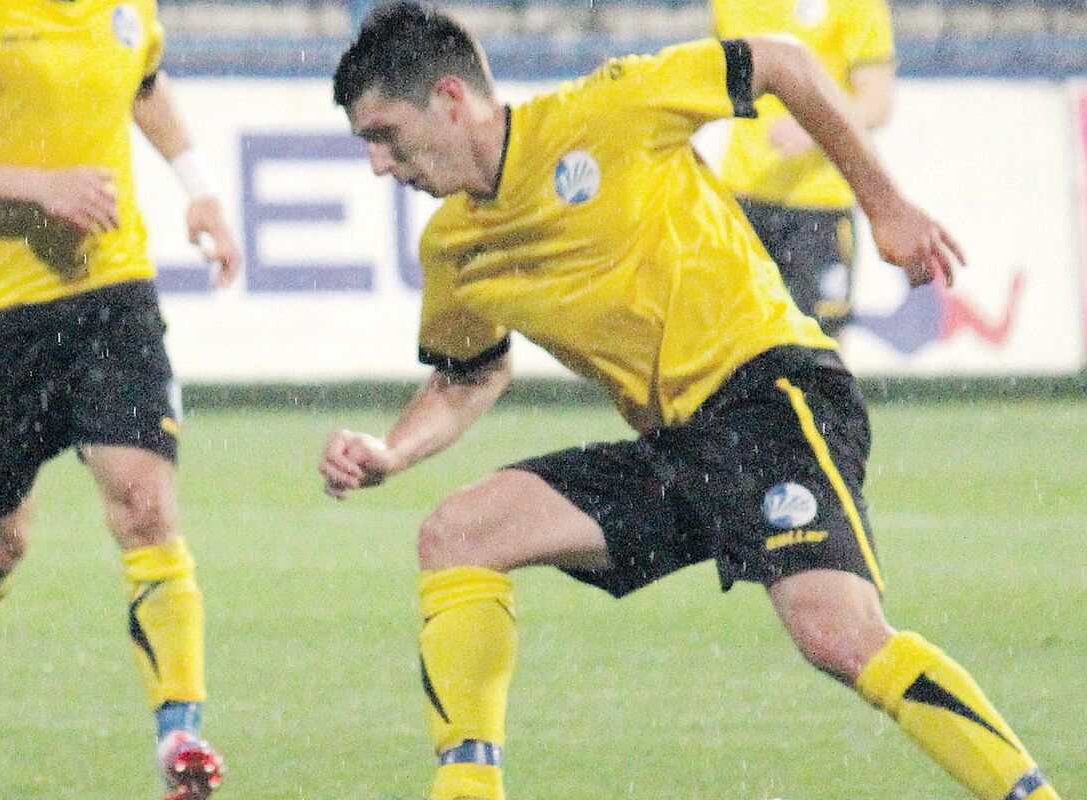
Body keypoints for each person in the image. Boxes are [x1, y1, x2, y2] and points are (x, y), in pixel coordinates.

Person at [320, 4, 1061, 800]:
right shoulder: (453, 246)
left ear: (450, 98)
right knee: (458, 534)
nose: (379, 164)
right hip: (680, 447)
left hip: (770, 392)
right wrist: (393, 451)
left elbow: (783, 63)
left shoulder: (609, 108)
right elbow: (468, 375)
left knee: (837, 635)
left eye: (386, 135)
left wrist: (885, 206)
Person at [0, 0, 239, 796]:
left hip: (112, 292)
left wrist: (200, 187)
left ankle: (180, 734)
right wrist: (34, 188)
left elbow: (144, 81)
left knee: (145, 504)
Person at [710, 0, 896, 336]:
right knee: (735, 342)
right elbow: (710, 79)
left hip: (819, 205)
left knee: (821, 342)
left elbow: (876, 102)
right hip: (742, 199)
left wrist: (814, 126)